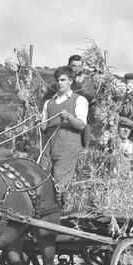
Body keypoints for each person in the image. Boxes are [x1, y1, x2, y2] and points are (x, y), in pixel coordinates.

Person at [40, 65, 89, 197]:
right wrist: (39, 125)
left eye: (63, 80)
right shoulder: (48, 103)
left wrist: (69, 117)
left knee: (59, 181)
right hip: (49, 143)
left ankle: (58, 211)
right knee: (41, 176)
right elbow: (44, 127)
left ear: (71, 81)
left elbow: (81, 125)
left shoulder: (79, 99)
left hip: (68, 143)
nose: (59, 83)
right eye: (57, 80)